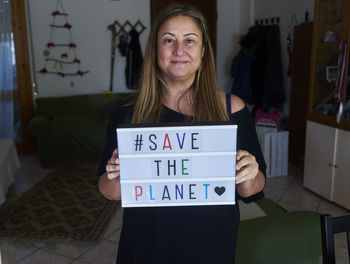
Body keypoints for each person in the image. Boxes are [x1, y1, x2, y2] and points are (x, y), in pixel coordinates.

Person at [98, 3, 266, 264]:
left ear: (202, 51)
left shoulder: (231, 109)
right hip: (146, 247)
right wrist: (115, 174)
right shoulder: (126, 113)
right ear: (155, 51)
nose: (179, 50)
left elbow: (252, 191)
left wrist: (249, 173)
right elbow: (109, 191)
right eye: (169, 40)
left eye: (190, 40)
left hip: (211, 248)